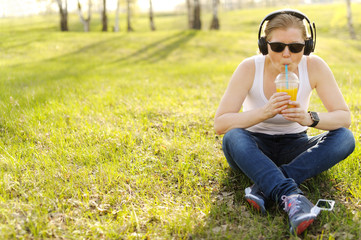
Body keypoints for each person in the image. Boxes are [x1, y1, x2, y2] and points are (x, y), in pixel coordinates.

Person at [214, 9, 355, 235]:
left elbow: (344, 117)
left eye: (296, 47)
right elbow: (220, 124)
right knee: (233, 136)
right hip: (253, 148)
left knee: (345, 138)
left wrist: (311, 118)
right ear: (264, 46)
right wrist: (264, 112)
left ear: (307, 47)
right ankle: (292, 196)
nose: (286, 54)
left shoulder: (315, 66)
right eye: (278, 47)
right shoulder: (249, 67)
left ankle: (264, 186)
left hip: (296, 146)